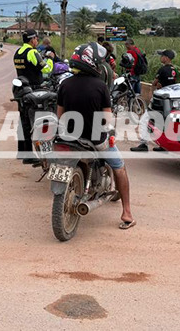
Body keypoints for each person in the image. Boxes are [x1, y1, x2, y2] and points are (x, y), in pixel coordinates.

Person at [58, 42, 135, 230]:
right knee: (119, 166)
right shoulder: (100, 86)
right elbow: (106, 120)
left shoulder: (65, 84)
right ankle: (127, 213)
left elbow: (60, 115)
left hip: (69, 138)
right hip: (95, 139)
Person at [13, 29, 54, 165]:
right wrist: (50, 59)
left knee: (23, 120)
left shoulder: (18, 52)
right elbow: (46, 69)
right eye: (36, 38)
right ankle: (31, 155)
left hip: (20, 90)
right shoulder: (32, 52)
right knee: (36, 121)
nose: (37, 41)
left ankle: (22, 151)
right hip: (33, 90)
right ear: (32, 39)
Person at [131, 49, 178, 152]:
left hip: (158, 100)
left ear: (166, 58)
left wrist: (156, 85)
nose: (161, 57)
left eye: (162, 56)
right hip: (168, 101)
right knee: (163, 123)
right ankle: (164, 145)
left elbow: (154, 83)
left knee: (144, 119)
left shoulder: (163, 69)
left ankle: (143, 144)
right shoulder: (174, 70)